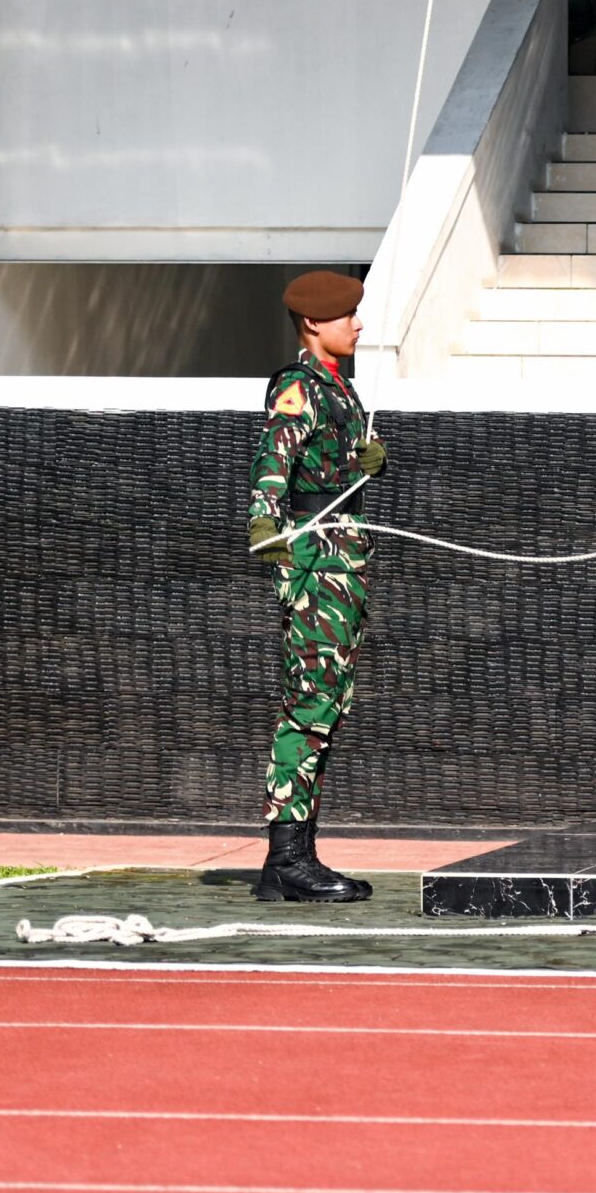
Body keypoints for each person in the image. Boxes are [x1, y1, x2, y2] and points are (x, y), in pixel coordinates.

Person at [245, 270, 387, 903]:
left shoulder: (339, 389)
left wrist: (364, 462)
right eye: (346, 315)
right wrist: (264, 519)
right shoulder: (299, 386)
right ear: (312, 323)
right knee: (308, 706)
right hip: (315, 558)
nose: (358, 324)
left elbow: (326, 462)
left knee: (327, 704)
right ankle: (286, 860)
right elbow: (274, 457)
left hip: (343, 554)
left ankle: (298, 856)